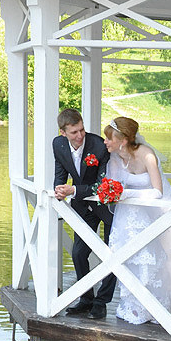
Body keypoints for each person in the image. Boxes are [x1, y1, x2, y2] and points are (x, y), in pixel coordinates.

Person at [102, 117, 171, 325]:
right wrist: (110, 192)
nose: (105, 142)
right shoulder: (116, 157)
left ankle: (154, 305)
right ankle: (133, 305)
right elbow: (114, 185)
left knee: (149, 259)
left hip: (149, 215)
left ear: (123, 140)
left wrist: (125, 194)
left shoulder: (147, 155)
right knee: (126, 258)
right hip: (125, 215)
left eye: (109, 138)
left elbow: (157, 192)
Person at [53, 108, 115, 319]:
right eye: (74, 132)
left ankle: (102, 302)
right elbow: (60, 173)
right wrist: (59, 189)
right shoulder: (58, 144)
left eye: (82, 130)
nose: (80, 136)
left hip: (108, 207)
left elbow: (102, 184)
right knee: (79, 253)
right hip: (82, 207)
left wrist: (75, 190)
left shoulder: (99, 146)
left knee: (111, 255)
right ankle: (86, 299)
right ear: (63, 133)